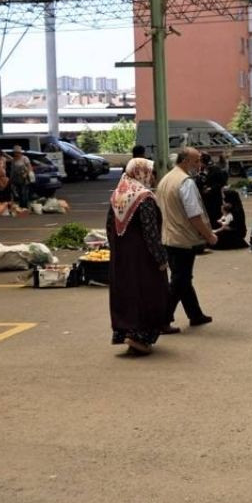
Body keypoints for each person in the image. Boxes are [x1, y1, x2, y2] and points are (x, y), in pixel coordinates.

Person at [106, 158, 168, 355]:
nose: (152, 176)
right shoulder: (144, 197)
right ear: (142, 173)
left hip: (121, 257)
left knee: (125, 293)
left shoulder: (118, 194)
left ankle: (125, 331)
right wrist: (160, 258)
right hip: (143, 258)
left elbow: (109, 228)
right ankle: (140, 337)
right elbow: (150, 232)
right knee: (148, 293)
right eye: (150, 172)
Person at [155, 147, 218, 329]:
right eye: (196, 161)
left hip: (169, 236)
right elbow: (194, 215)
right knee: (179, 280)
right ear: (185, 161)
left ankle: (195, 314)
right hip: (183, 238)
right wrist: (209, 235)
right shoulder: (185, 182)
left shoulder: (166, 179)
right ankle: (163, 319)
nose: (199, 165)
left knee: (182, 277)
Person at [195, 152, 227, 225]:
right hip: (204, 199)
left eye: (199, 161)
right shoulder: (200, 170)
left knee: (216, 217)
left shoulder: (215, 169)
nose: (198, 163)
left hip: (214, 199)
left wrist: (211, 188)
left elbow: (222, 183)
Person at [8, 145, 33, 209]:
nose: (16, 153)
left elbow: (30, 167)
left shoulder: (25, 158)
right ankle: (21, 206)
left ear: (20, 152)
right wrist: (10, 179)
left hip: (24, 177)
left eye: (17, 152)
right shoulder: (13, 160)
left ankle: (25, 206)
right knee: (19, 192)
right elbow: (12, 170)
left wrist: (26, 174)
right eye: (15, 152)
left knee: (24, 192)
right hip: (16, 177)